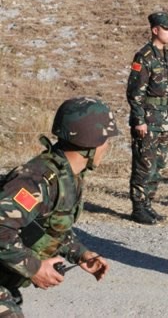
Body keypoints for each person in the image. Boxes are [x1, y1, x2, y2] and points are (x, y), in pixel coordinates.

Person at [0, 97, 117, 317]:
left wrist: (81, 254)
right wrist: (34, 268)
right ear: (91, 142)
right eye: (106, 140)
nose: (107, 147)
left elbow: (46, 226)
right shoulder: (37, 180)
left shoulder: (67, 177)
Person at [126, 11, 168, 225]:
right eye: (166, 29)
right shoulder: (144, 57)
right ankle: (138, 207)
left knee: (158, 164)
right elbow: (135, 92)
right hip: (147, 119)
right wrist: (139, 120)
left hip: (163, 120)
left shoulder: (165, 56)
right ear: (155, 30)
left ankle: (148, 204)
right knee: (143, 164)